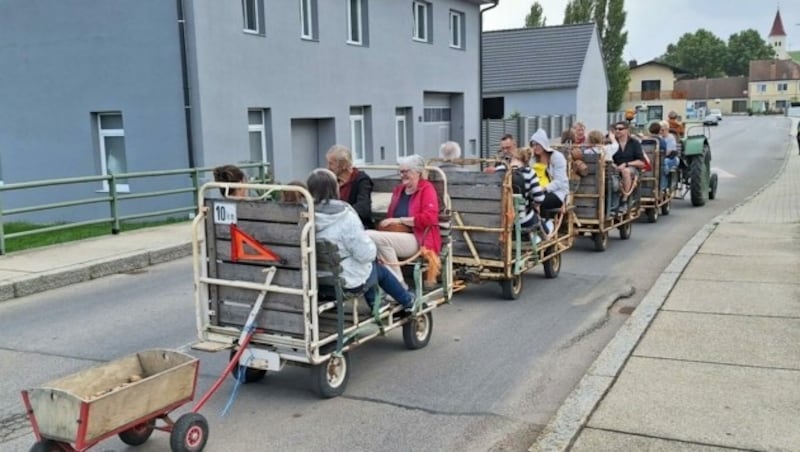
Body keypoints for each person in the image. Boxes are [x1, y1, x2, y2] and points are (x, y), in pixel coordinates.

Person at [306, 168, 415, 311]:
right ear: (334, 188)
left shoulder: (305, 215)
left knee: (365, 265)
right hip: (344, 283)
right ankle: (406, 300)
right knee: (376, 267)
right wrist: (374, 251)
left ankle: (379, 302)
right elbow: (365, 255)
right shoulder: (345, 216)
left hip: (316, 281)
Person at [366, 154, 441, 285]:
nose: (402, 175)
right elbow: (390, 216)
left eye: (407, 171)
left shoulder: (427, 189)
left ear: (418, 172)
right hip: (397, 235)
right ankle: (396, 286)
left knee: (370, 236)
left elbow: (429, 218)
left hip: (418, 238)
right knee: (379, 243)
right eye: (401, 172)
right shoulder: (399, 190)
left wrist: (400, 220)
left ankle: (397, 285)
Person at [326, 145, 374, 229]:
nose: (328, 167)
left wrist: (339, 214)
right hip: (334, 226)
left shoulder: (361, 180)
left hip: (355, 226)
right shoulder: (330, 180)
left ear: (344, 165)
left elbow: (363, 208)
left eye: (331, 164)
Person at [496, 147, 545, 228]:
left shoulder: (499, 170)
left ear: (513, 157)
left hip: (500, 219)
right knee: (545, 227)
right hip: (521, 220)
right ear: (527, 161)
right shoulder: (529, 173)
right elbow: (539, 198)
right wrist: (535, 205)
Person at [530, 129, 569, 211]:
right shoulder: (533, 159)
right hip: (538, 191)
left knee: (538, 201)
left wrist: (544, 189)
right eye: (533, 145)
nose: (535, 147)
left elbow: (559, 181)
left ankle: (543, 222)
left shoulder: (557, 157)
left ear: (543, 144)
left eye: (538, 144)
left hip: (558, 192)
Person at [611, 121, 647, 210]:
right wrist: (613, 165)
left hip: (632, 169)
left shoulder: (634, 143)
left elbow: (641, 162)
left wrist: (626, 164)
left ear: (627, 130)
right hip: (615, 168)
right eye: (615, 129)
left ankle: (625, 200)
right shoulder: (612, 143)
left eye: (620, 129)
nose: (617, 131)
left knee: (625, 171)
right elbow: (607, 157)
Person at [659, 120, 679, 190]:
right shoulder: (659, 138)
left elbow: (668, 152)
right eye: (659, 130)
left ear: (667, 129)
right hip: (661, 158)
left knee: (663, 164)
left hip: (671, 158)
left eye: (662, 130)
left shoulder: (671, 138)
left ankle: (663, 188)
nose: (660, 132)